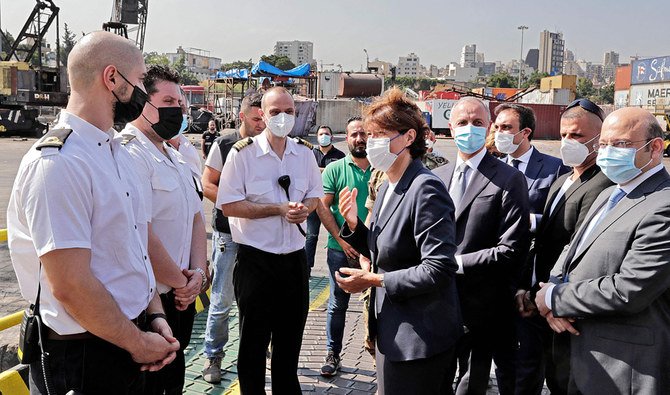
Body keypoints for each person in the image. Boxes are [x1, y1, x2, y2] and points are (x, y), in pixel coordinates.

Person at [7, 31, 179, 395]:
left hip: (127, 338)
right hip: (83, 356)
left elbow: (134, 248)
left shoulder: (115, 152)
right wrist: (137, 342)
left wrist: (155, 315)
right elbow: (70, 285)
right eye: (140, 81)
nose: (144, 95)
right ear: (112, 78)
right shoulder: (59, 163)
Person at [335, 88, 463, 395]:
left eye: (381, 134)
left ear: (408, 137)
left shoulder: (425, 188)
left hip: (420, 338)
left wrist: (375, 280)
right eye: (369, 134)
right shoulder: (389, 181)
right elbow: (386, 248)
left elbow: (438, 268)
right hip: (393, 330)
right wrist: (353, 224)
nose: (371, 142)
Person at [536, 107, 670, 394]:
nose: (608, 152)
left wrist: (555, 298)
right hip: (579, 353)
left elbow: (630, 289)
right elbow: (573, 250)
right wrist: (553, 291)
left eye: (620, 144)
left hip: (624, 365)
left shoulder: (663, 205)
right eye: (604, 145)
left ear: (655, 147)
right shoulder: (610, 193)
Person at [217, 87, 323, 393]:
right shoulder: (243, 154)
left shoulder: (304, 153)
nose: (283, 118)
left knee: (289, 347)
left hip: (293, 261)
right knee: (252, 345)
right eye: (275, 112)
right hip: (255, 261)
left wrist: (305, 209)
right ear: (262, 115)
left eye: (289, 112)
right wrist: (277, 209)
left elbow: (315, 195)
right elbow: (228, 205)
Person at [432, 97, 530, 395]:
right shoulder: (438, 177)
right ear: (450, 127)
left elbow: (512, 248)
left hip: (484, 305)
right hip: (439, 301)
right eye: (462, 123)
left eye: (477, 122)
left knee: (471, 384)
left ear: (488, 127)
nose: (469, 128)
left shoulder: (509, 179)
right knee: (438, 378)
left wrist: (458, 263)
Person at [516, 98, 613, 394]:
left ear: (599, 139)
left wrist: (556, 302)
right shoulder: (562, 181)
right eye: (564, 135)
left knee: (565, 383)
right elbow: (542, 242)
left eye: (578, 136)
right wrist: (528, 288)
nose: (568, 142)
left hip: (565, 311)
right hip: (541, 300)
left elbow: (581, 250)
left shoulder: (604, 185)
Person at [121, 65, 208, 394]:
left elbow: (197, 217)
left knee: (173, 380)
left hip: (181, 297)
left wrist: (198, 272)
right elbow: (139, 231)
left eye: (181, 103)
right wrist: (182, 282)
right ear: (144, 101)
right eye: (169, 100)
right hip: (150, 303)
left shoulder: (176, 156)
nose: (179, 109)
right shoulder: (129, 152)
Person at [492, 103, 569, 394]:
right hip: (498, 275)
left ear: (525, 132)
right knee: (502, 358)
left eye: (506, 128)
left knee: (529, 360)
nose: (499, 133)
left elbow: (560, 220)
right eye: (497, 127)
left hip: (532, 277)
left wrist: (526, 220)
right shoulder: (492, 166)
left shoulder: (553, 168)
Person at [200, 92, 265, 383]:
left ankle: (256, 349)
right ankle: (213, 356)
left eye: (266, 118)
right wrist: (235, 207)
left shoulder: (270, 145)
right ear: (242, 117)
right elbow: (207, 184)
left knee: (256, 299)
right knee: (222, 299)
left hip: (259, 236)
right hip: (228, 233)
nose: (263, 124)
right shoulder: (224, 143)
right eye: (256, 119)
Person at [317, 117, 371, 377]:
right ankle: (332, 353)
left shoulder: (384, 168)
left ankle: (379, 356)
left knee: (378, 304)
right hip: (341, 250)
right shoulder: (335, 169)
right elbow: (322, 205)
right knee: (338, 304)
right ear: (346, 138)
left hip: (374, 251)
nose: (359, 138)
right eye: (354, 134)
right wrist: (341, 240)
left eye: (364, 133)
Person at [305, 125, 346, 272]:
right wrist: (328, 170)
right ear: (317, 137)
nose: (324, 136)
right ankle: (307, 268)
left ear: (332, 137)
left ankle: (339, 268)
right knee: (311, 235)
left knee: (336, 235)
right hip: (313, 201)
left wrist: (318, 170)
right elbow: (305, 173)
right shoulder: (310, 153)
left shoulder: (340, 155)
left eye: (327, 134)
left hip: (332, 204)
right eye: (321, 134)